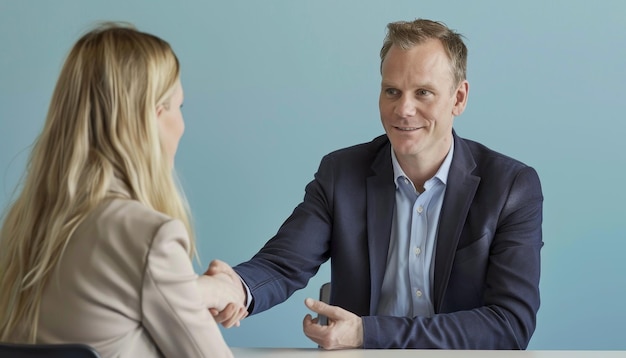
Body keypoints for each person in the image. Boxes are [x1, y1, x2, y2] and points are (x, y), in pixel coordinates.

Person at [208, 18, 543, 350]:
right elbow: (282, 264)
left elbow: (510, 324)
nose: (403, 109)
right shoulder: (342, 173)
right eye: (391, 91)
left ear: (458, 98)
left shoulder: (510, 187)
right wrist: (234, 287)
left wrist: (366, 333)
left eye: (423, 93)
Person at [0, 23, 246, 357]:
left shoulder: (23, 224)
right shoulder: (149, 237)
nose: (182, 124)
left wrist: (202, 291)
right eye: (179, 107)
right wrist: (207, 290)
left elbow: (112, 299)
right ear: (154, 119)